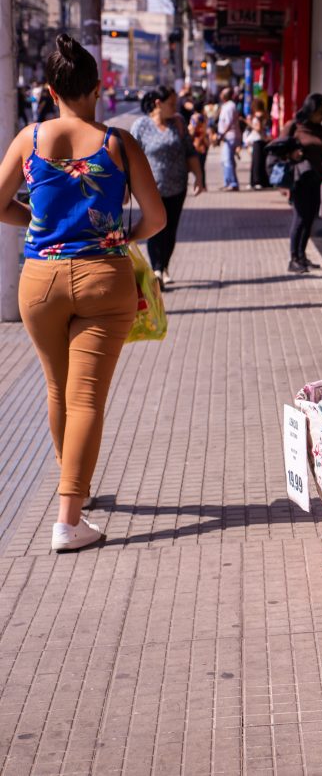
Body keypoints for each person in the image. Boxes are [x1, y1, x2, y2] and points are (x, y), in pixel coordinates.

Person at [0, 35, 165, 552]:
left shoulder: (29, 139)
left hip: (41, 281)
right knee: (87, 395)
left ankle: (76, 485)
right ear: (99, 87)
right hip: (103, 277)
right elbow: (156, 219)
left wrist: (34, 223)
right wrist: (121, 236)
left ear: (50, 91)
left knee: (57, 388)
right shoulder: (118, 143)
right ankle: (68, 520)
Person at [130, 85, 205, 288]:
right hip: (151, 188)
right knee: (155, 227)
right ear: (158, 103)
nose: (175, 107)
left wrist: (199, 177)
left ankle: (164, 267)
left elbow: (190, 152)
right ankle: (156, 269)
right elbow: (130, 156)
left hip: (178, 187)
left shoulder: (178, 123)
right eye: (171, 103)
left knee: (171, 229)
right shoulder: (141, 126)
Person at [281, 93, 322, 273]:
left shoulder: (321, 129)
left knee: (310, 218)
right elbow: (278, 149)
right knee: (300, 218)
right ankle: (293, 258)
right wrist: (292, 155)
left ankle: (302, 255)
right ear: (311, 110)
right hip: (300, 179)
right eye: (320, 111)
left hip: (316, 180)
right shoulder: (295, 126)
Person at [216, 87, 241, 191]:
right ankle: (228, 182)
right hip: (227, 137)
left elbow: (229, 122)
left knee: (227, 160)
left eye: (222, 93)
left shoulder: (230, 106)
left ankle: (232, 183)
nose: (220, 95)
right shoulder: (226, 106)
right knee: (225, 160)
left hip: (230, 136)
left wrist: (222, 134)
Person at [245, 101, 270, 190]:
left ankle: (257, 181)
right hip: (261, 139)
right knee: (259, 162)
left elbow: (258, 128)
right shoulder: (264, 114)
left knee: (257, 162)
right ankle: (259, 181)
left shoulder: (258, 115)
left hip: (258, 139)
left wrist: (249, 123)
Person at [189, 106, 211, 181]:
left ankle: (200, 182)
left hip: (197, 142)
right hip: (204, 141)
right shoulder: (204, 117)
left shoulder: (194, 117)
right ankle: (203, 184)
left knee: (199, 165)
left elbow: (192, 129)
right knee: (202, 164)